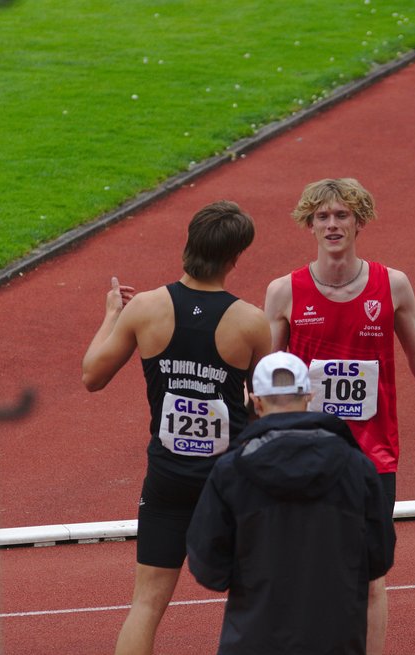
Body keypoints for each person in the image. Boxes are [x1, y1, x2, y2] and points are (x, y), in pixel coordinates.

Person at [263, 177, 415, 654]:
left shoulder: (391, 285)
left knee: (371, 577)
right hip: (306, 456)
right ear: (310, 225)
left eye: (342, 216)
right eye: (322, 217)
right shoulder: (283, 292)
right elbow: (265, 378)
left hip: (374, 458)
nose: (332, 225)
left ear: (359, 222)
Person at [82, 200, 272, 655]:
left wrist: (112, 314)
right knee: (255, 598)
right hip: (229, 482)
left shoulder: (145, 308)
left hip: (167, 476)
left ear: (188, 244)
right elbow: (271, 407)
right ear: (235, 257)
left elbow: (92, 376)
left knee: (146, 604)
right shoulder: (250, 322)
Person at [186, 351, 396, 655]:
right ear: (309, 397)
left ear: (257, 403)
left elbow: (209, 569)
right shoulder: (357, 466)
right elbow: (379, 557)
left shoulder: (230, 472)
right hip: (335, 641)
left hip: (253, 641)